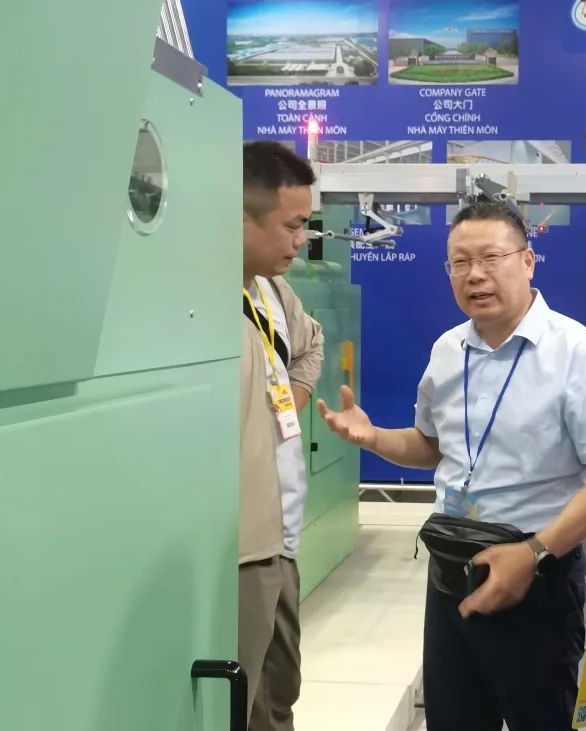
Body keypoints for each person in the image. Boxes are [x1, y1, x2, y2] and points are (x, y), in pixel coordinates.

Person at [317, 199, 586, 731]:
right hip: (451, 567)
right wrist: (374, 438)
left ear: (527, 261)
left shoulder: (579, 354)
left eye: (490, 258)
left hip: (536, 573)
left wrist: (533, 553)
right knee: (453, 717)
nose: (474, 275)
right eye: (459, 262)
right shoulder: (447, 349)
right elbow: (431, 446)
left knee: (539, 717)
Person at [239, 141, 324, 731]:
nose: (301, 240)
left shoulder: (272, 292)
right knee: (236, 698)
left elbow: (311, 343)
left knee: (278, 692)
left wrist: (288, 399)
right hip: (240, 548)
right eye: (292, 225)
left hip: (283, 536)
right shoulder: (192, 305)